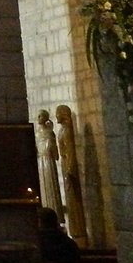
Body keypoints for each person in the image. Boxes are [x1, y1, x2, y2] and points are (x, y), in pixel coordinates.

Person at [54, 104, 89, 247]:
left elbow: (71, 152)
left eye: (58, 113)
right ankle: (76, 233)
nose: (56, 115)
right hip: (65, 164)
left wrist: (70, 170)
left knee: (73, 200)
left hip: (69, 167)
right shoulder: (62, 130)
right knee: (70, 200)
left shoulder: (67, 131)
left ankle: (79, 235)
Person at [34, 109, 63, 215]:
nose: (38, 118)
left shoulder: (50, 132)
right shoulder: (37, 133)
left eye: (40, 116)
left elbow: (54, 151)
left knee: (51, 186)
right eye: (38, 116)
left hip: (49, 161)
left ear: (45, 118)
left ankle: (55, 213)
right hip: (40, 161)